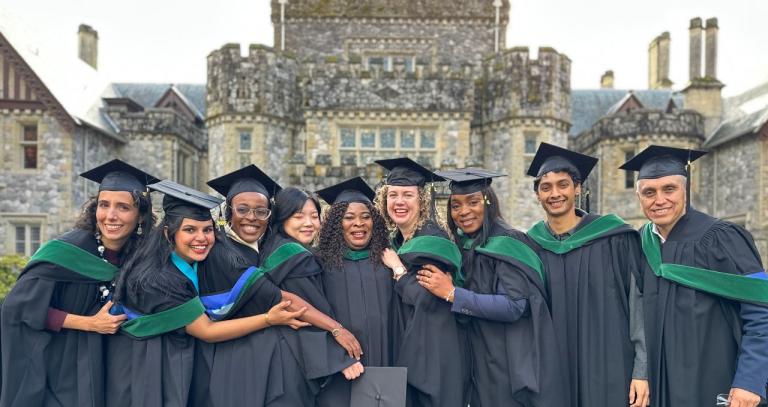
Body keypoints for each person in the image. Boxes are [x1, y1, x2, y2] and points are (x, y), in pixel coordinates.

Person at [107, 180, 308, 407]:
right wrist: (268, 319)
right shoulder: (157, 278)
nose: (201, 238)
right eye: (190, 230)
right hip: (148, 365)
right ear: (168, 233)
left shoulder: (192, 262)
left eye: (207, 230)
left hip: (174, 358)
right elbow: (206, 330)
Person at [197, 170, 362, 406]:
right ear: (228, 212)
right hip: (238, 357)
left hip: (270, 360)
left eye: (260, 211)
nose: (251, 217)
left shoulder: (263, 248)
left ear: (270, 216)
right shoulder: (223, 253)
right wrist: (338, 334)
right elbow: (284, 300)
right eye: (242, 210)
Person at [620, 145, 768, 407]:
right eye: (649, 192)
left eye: (669, 189)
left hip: (714, 381)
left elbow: (760, 309)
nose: (659, 200)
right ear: (639, 197)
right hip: (659, 382)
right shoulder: (642, 244)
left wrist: (750, 380)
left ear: (685, 189)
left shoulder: (722, 237)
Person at [0, 159, 156, 407]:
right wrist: (89, 324)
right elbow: (17, 308)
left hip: (115, 371)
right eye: (104, 205)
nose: (111, 215)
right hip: (63, 371)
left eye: (123, 207)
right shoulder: (66, 252)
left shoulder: (142, 255)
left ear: (140, 216)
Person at [416, 168, 568, 407]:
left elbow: (515, 306)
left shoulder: (509, 242)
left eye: (473, 202)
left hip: (507, 363)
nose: (464, 212)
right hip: (480, 361)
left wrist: (451, 293)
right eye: (455, 206)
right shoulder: (466, 245)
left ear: (488, 202)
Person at [525, 143, 649, 407]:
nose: (554, 193)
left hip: (610, 368)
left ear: (577, 188)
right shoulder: (531, 246)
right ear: (537, 194)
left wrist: (642, 370)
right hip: (553, 370)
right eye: (546, 187)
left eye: (563, 185)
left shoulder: (615, 238)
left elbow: (639, 308)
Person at [375, 157, 468, 407]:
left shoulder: (432, 242)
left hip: (435, 352)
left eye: (408, 195)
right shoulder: (397, 242)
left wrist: (397, 268)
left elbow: (425, 296)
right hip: (412, 346)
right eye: (393, 195)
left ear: (422, 200)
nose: (399, 202)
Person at [258, 186, 365, 401]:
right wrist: (340, 357)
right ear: (282, 218)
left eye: (314, 216)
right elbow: (309, 314)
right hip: (290, 361)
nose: (309, 223)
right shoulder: (294, 258)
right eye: (299, 216)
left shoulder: (273, 247)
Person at [315, 177, 400, 406]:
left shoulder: (387, 261)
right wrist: (338, 358)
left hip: (385, 367)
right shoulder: (319, 264)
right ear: (336, 223)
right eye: (349, 217)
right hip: (339, 371)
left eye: (365, 217)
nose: (358, 224)